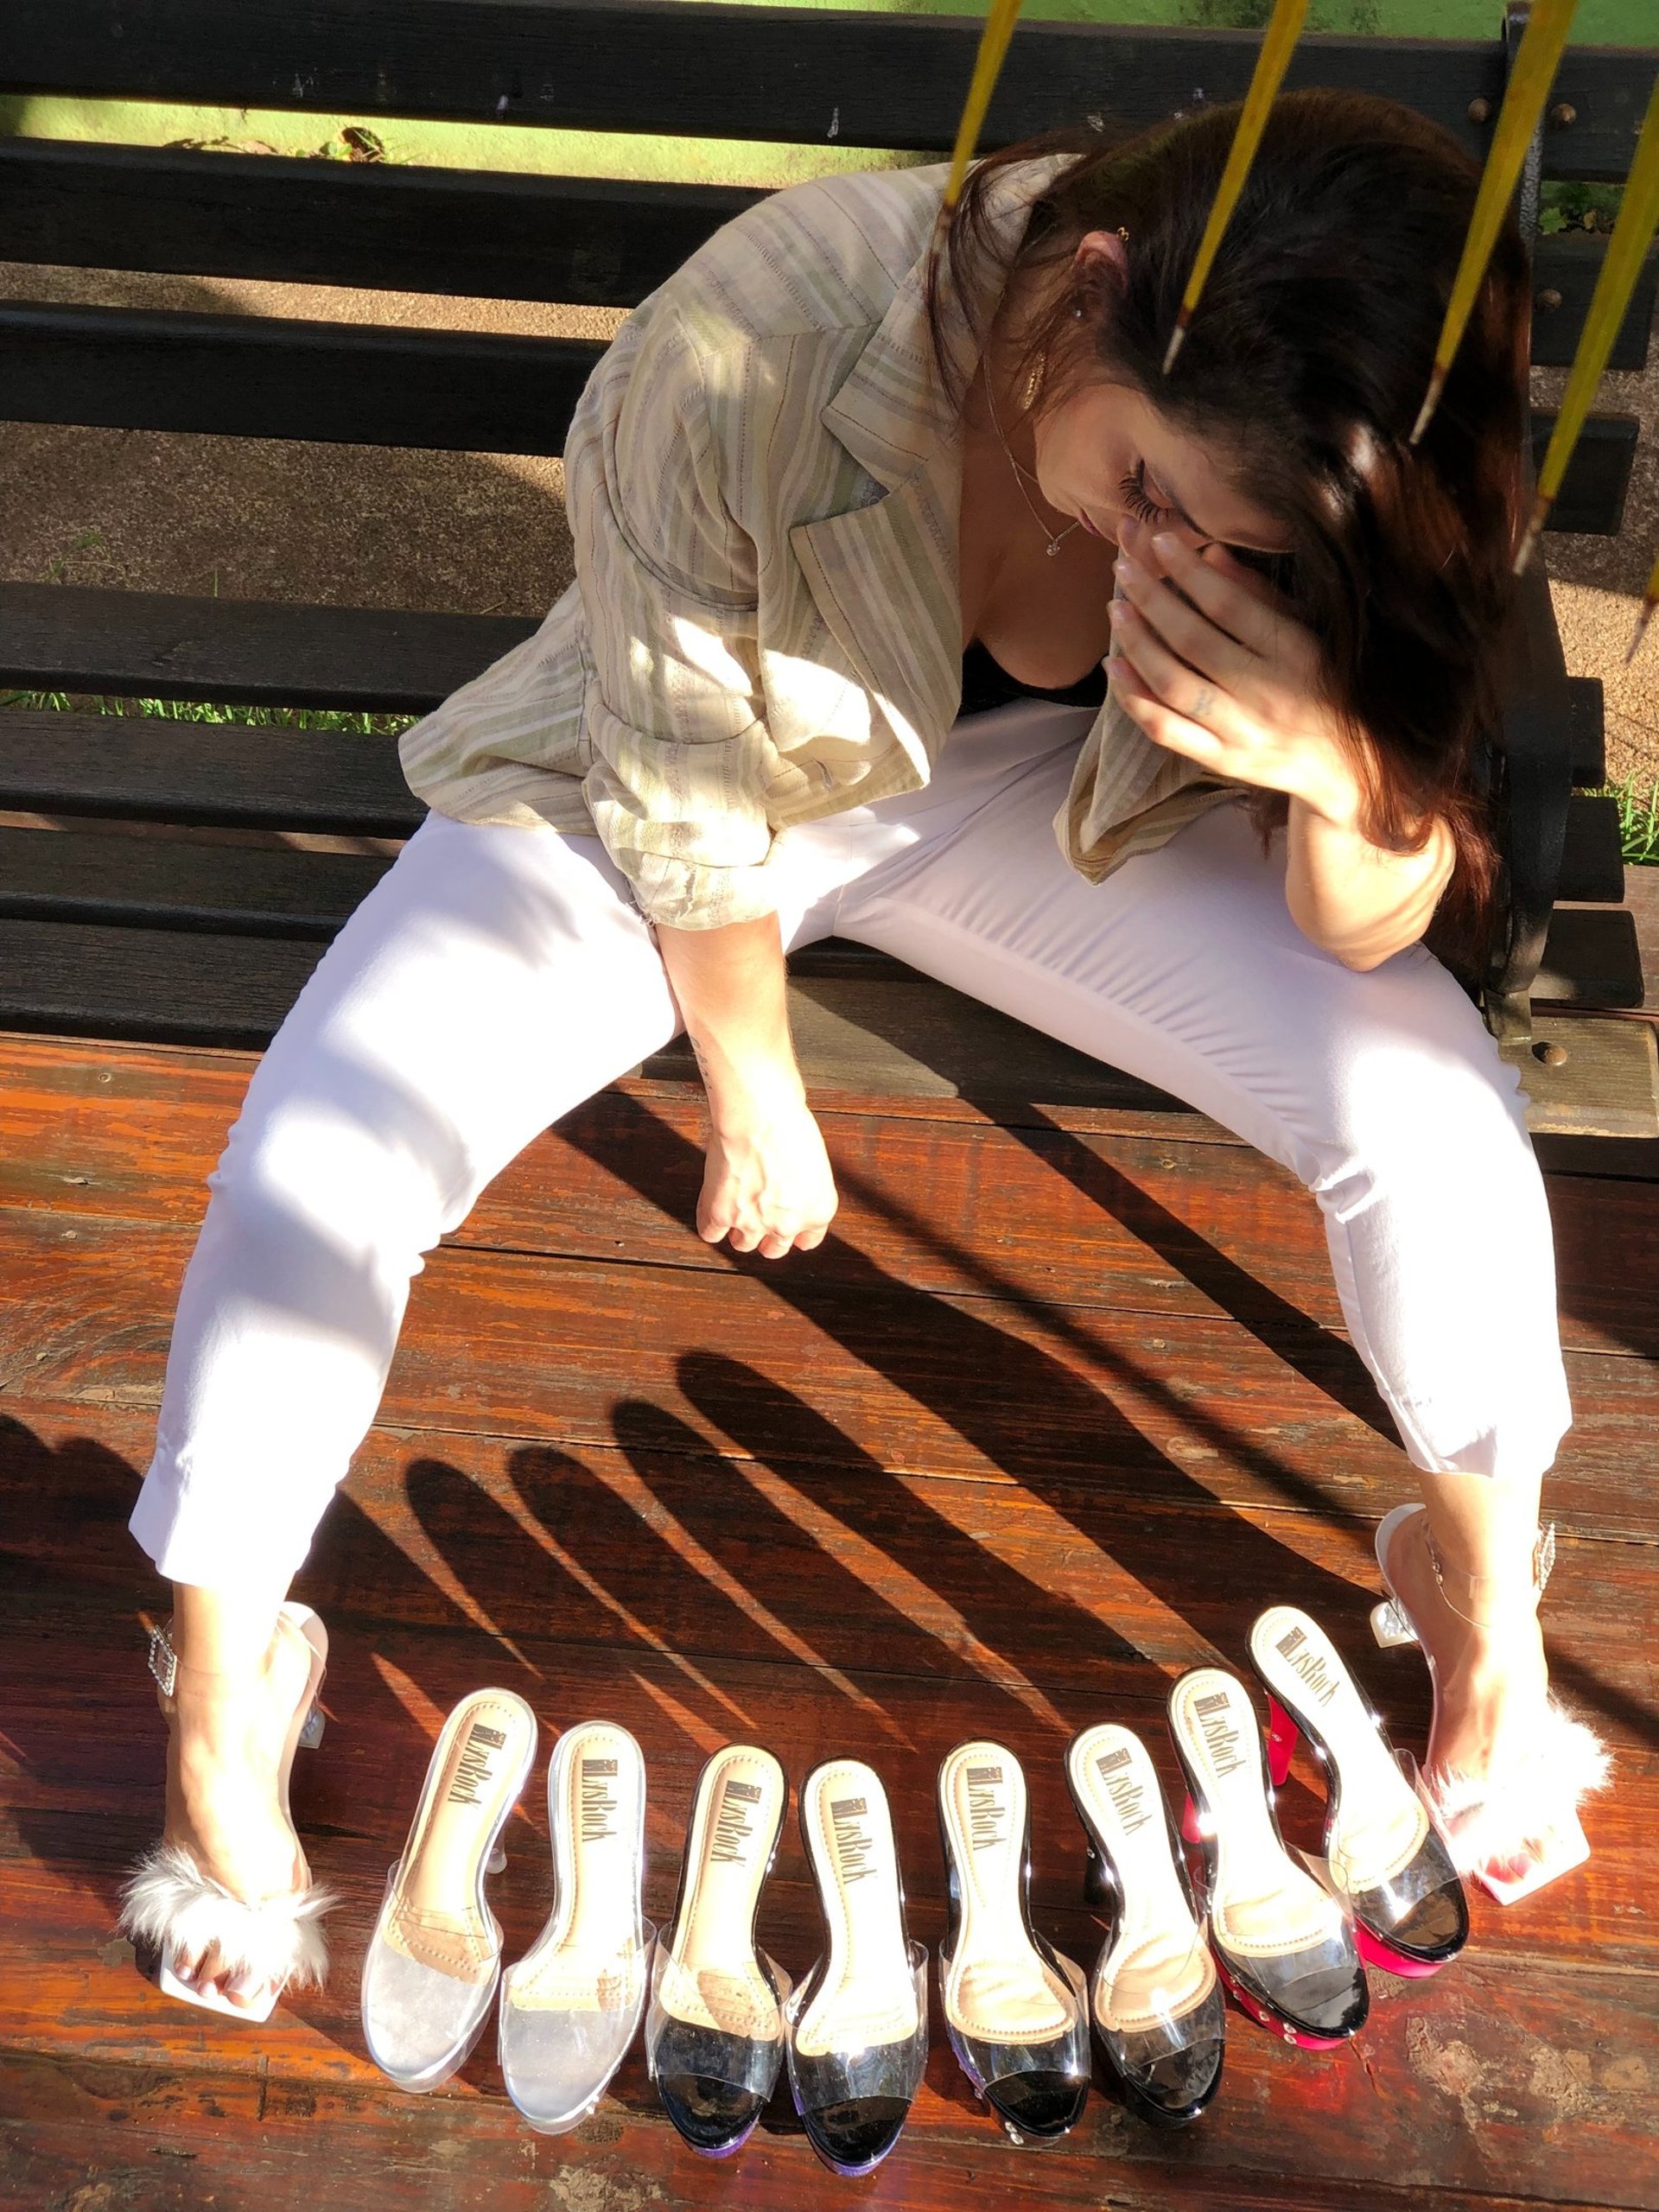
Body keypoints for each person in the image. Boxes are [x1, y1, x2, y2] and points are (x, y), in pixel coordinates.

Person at [118, 88, 1607, 2018]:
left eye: (1229, 546)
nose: (1159, 548)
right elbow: (673, 777)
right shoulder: (768, 331)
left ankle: (1490, 1631)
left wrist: (1328, 760)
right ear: (1088, 297)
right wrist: (750, 1073)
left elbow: (1374, 909)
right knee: (324, 1152)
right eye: (1146, 484)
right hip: (678, 779)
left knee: (1433, 1117)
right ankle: (224, 1720)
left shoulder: (1357, 432)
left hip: (1054, 803)